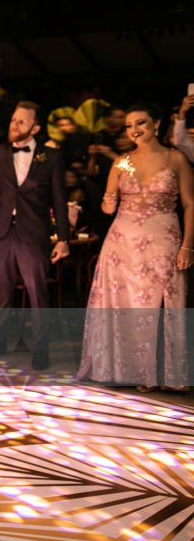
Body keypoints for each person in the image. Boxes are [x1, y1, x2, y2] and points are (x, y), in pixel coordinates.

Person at [79, 103, 193, 390]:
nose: (135, 130)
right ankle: (139, 372)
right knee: (128, 306)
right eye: (129, 126)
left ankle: (167, 374)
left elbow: (190, 205)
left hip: (164, 239)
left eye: (140, 123)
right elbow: (107, 208)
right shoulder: (121, 161)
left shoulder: (175, 158)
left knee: (165, 304)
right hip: (122, 245)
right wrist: (108, 192)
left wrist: (187, 247)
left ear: (155, 123)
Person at [0, 101, 71, 370]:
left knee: (37, 293)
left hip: (33, 234)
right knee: (2, 292)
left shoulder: (50, 157)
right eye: (12, 120)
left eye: (21, 121)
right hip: (3, 232)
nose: (14, 125)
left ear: (35, 127)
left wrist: (63, 239)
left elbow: (59, 199)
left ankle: (41, 348)